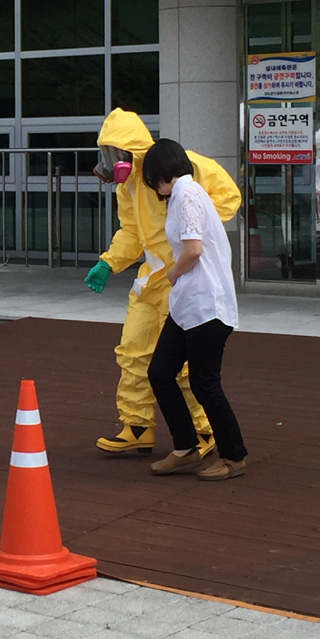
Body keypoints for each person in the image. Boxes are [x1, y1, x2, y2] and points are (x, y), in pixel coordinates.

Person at [85, 109, 241, 456]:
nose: (112, 163)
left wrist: (193, 223)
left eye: (115, 153)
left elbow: (228, 195)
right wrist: (108, 262)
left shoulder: (181, 166)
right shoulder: (126, 188)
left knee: (184, 366)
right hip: (152, 279)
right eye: (107, 154)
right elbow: (131, 232)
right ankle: (137, 425)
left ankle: (203, 432)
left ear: (132, 150)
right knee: (133, 353)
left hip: (183, 276)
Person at [140, 139, 247, 480]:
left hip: (205, 303)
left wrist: (171, 274)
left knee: (205, 384)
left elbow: (193, 251)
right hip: (191, 304)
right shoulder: (186, 195)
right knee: (160, 372)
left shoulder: (186, 195)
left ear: (160, 172)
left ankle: (233, 456)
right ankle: (185, 448)